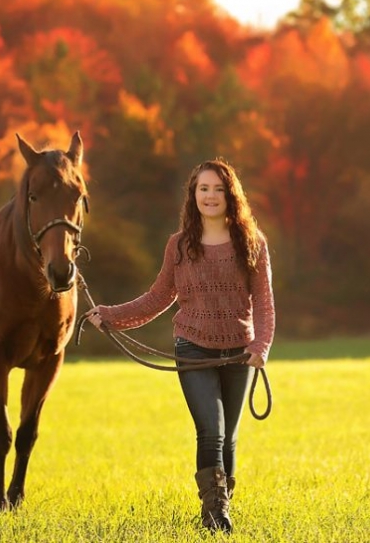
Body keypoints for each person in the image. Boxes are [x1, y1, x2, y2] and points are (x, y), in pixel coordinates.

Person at [85, 159, 275, 533]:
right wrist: (110, 315)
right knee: (212, 431)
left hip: (238, 353)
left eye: (218, 189)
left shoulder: (252, 242)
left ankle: (220, 506)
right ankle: (215, 513)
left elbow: (264, 302)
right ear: (193, 195)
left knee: (229, 441)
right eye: (203, 189)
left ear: (230, 195)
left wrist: (261, 345)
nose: (210, 196)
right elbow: (157, 298)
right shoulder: (180, 245)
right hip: (193, 348)